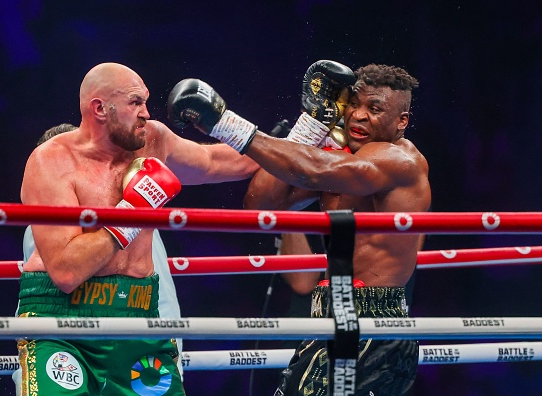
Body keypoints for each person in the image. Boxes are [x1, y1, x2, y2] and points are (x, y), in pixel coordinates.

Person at [167, 61, 430, 395]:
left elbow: (314, 169)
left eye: (375, 109)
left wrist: (223, 123)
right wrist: (310, 124)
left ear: (401, 121)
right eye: (354, 104)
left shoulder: (398, 160)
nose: (359, 116)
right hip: (328, 317)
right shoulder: (343, 163)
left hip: (370, 325)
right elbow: (260, 207)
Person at [18, 63, 259, 395]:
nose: (146, 112)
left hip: (138, 313)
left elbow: (220, 162)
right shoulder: (51, 162)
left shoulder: (153, 141)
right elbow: (66, 271)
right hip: (63, 323)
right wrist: (134, 212)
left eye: (145, 101)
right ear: (100, 108)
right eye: (135, 103)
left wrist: (306, 137)